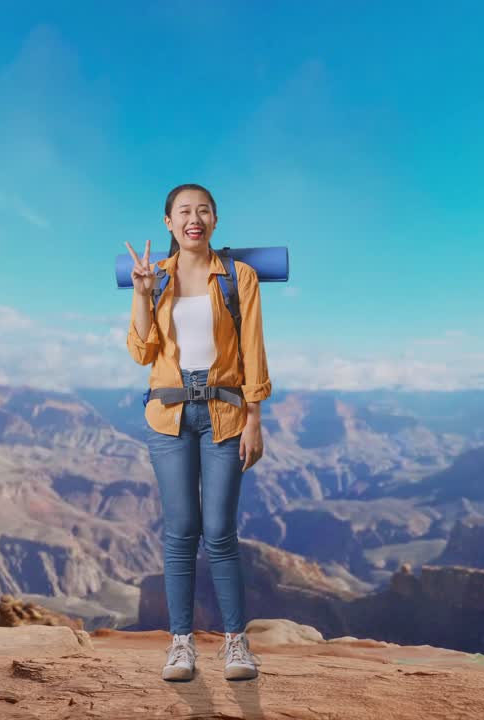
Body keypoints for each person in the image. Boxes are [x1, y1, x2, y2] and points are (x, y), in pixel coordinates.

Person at [124, 183, 271, 682]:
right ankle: (181, 645)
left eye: (203, 210)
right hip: (168, 417)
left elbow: (253, 346)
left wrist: (255, 416)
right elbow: (142, 352)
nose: (194, 218)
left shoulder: (238, 276)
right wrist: (142, 294)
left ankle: (236, 646)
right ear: (169, 223)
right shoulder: (156, 278)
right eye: (184, 211)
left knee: (220, 533)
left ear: (214, 220)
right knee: (181, 532)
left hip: (225, 413)